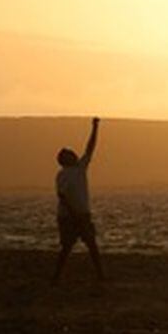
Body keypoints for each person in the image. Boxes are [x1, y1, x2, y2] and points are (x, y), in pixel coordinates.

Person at [51, 117, 105, 285]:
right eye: (69, 154)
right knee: (67, 247)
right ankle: (57, 276)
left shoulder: (80, 168)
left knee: (91, 244)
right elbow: (62, 196)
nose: (74, 154)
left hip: (81, 213)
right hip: (69, 216)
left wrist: (95, 128)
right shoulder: (62, 175)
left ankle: (100, 275)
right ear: (64, 160)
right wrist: (73, 213)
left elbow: (90, 147)